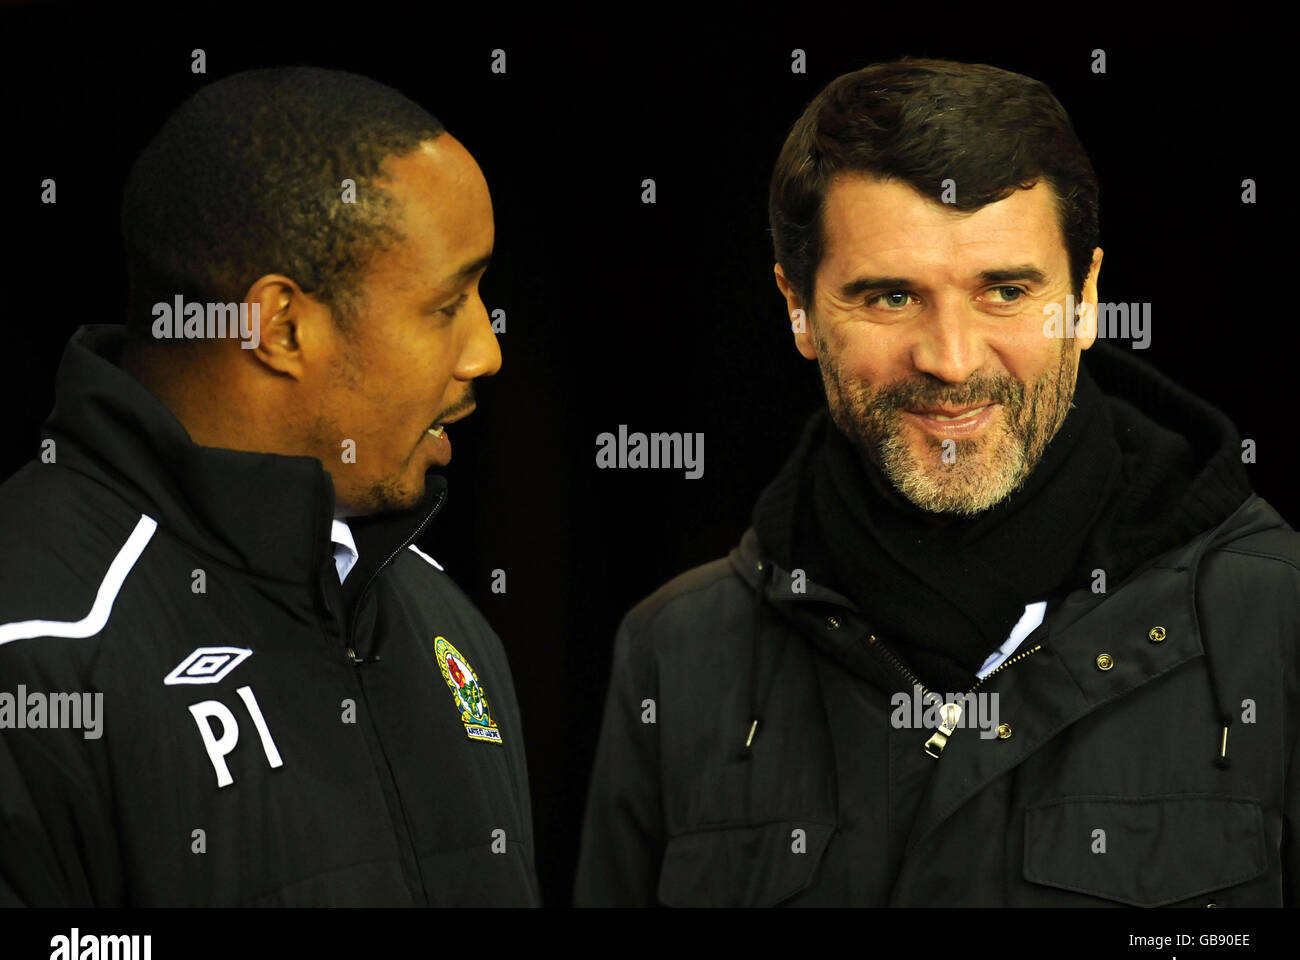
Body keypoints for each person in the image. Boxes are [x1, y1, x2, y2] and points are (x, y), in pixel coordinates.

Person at [574, 57, 1299, 906]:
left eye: (1003, 291)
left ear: (1089, 295)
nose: (951, 362)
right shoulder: (674, 653)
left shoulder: (1278, 622)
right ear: (797, 310)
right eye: (889, 298)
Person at [0, 67, 539, 905]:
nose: (486, 352)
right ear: (281, 326)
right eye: (447, 303)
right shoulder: (36, 652)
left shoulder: (448, 630)